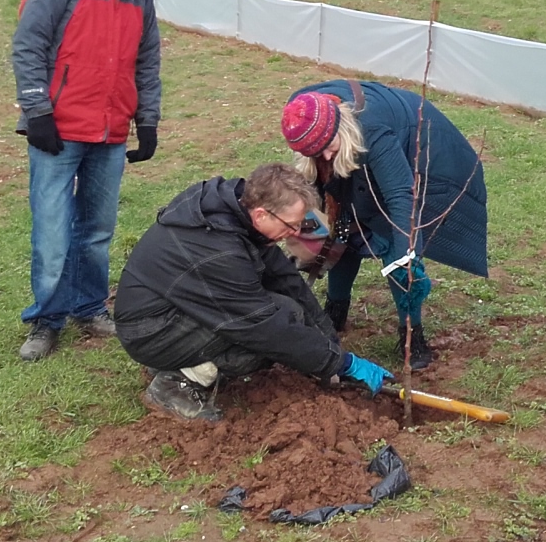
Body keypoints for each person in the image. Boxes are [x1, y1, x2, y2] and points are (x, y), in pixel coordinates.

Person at [10, 0, 161, 361]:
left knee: (97, 230)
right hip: (57, 129)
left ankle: (90, 307)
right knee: (53, 232)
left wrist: (147, 120)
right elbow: (28, 44)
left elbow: (147, 59)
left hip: (110, 130)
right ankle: (46, 319)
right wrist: (37, 110)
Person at [114, 163, 393, 422]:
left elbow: (285, 280)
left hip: (173, 309)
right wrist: (340, 363)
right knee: (269, 335)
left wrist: (330, 343)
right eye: (291, 225)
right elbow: (263, 328)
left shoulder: (237, 212)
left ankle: (183, 359)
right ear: (261, 214)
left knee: (289, 311)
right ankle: (176, 382)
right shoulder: (220, 251)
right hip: (149, 331)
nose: (296, 232)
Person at [280, 80, 488, 372]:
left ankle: (412, 335)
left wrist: (406, 257)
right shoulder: (301, 113)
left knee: (394, 244)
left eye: (327, 148)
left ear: (340, 127)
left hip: (421, 150)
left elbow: (401, 194)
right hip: (358, 147)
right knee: (343, 231)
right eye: (316, 152)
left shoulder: (373, 130)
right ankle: (335, 311)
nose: (325, 157)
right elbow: (319, 179)